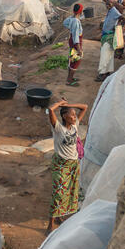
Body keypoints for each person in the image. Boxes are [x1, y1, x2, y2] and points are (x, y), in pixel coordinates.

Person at [45, 99, 88, 234]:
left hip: (73, 164)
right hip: (61, 165)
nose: (74, 117)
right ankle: (50, 223)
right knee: (58, 193)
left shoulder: (75, 125)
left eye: (75, 115)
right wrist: (60, 103)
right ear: (64, 116)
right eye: (72, 115)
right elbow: (51, 110)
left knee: (69, 192)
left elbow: (85, 106)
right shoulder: (58, 128)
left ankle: (59, 217)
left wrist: (69, 106)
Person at [97, 0, 123, 82]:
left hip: (109, 36)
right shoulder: (110, 11)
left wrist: (116, 25)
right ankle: (106, 73)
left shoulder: (114, 11)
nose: (107, 6)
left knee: (105, 55)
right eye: (106, 4)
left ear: (112, 3)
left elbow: (122, 17)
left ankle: (103, 74)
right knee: (107, 55)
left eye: (108, 4)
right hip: (106, 35)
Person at [62, 4, 85, 86]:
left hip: (72, 41)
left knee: (72, 59)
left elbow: (64, 23)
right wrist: (79, 49)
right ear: (81, 11)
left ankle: (70, 77)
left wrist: (70, 27)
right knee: (76, 61)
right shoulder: (75, 21)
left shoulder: (72, 19)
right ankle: (69, 80)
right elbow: (76, 36)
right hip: (76, 42)